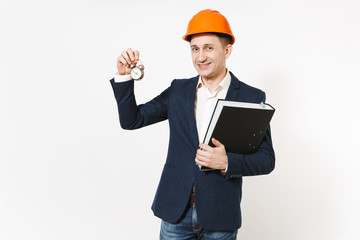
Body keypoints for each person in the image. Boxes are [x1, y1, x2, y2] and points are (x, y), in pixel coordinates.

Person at [110, 9, 275, 240]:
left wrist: (227, 161)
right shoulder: (178, 90)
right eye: (195, 48)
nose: (201, 57)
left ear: (227, 50)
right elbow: (132, 120)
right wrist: (124, 76)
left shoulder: (250, 96)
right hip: (175, 213)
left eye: (209, 48)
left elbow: (266, 160)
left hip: (220, 214)